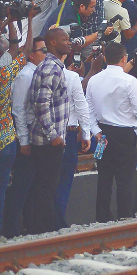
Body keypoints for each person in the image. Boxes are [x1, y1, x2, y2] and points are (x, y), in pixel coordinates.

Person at [26, 27, 72, 234]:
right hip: (47, 142)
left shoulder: (52, 67)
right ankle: (47, 232)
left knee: (43, 187)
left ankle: (41, 229)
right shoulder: (51, 69)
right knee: (46, 189)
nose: (69, 43)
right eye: (65, 39)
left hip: (47, 140)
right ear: (53, 43)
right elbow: (41, 105)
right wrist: (54, 136)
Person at [0, 12, 39, 238]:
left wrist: (6, 21)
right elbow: (24, 51)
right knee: (3, 190)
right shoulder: (6, 73)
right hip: (6, 140)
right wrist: (26, 20)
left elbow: (15, 49)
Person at [53, 50, 100, 229]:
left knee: (48, 180)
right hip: (68, 132)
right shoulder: (71, 76)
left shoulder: (36, 72)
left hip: (47, 133)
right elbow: (81, 105)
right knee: (64, 180)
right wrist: (86, 134)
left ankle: (45, 222)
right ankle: (58, 222)